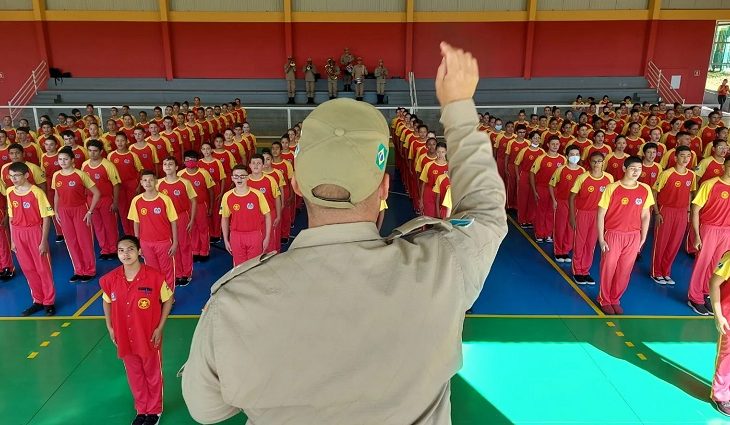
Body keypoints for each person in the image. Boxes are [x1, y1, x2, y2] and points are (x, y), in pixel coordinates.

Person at [182, 42, 507, 424]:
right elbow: (486, 210)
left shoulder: (234, 302)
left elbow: (206, 410)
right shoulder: (441, 266)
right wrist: (458, 109)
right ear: (385, 188)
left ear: (296, 184)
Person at [100, 235, 172, 425]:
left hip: (149, 335)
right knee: (134, 374)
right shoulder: (110, 279)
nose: (126, 254)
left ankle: (155, 411)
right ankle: (142, 409)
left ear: (139, 251)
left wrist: (160, 327)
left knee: (152, 373)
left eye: (130, 249)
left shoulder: (155, 277)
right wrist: (110, 327)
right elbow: (106, 301)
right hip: (124, 336)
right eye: (121, 250)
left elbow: (168, 299)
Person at [596, 156, 654, 314]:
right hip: (613, 234)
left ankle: (615, 298)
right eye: (633, 168)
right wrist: (601, 239)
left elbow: (645, 215)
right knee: (608, 268)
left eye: (639, 169)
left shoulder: (645, 189)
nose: (636, 171)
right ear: (624, 169)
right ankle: (604, 299)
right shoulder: (612, 188)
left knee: (625, 270)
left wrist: (642, 237)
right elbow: (601, 214)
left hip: (633, 236)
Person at [7, 162, 56, 316]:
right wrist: (13, 239)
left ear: (26, 175)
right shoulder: (9, 192)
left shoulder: (36, 192)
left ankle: (49, 301)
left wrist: (43, 241)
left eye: (17, 175)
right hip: (18, 233)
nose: (13, 179)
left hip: (35, 232)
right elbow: (11, 216)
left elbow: (46, 218)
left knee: (43, 268)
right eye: (11, 176)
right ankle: (38, 300)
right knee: (28, 269)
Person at [687, 160, 730, 315]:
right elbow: (695, 209)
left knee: (716, 265)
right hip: (709, 229)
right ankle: (694, 297)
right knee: (702, 263)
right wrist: (697, 235)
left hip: (727, 231)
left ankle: (706, 293)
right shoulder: (710, 184)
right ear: (724, 166)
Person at [53, 146, 100, 282]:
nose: (62, 161)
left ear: (72, 160)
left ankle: (90, 270)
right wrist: (56, 211)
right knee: (71, 242)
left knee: (84, 241)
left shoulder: (80, 174)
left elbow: (97, 193)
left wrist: (90, 211)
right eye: (60, 159)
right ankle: (79, 270)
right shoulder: (56, 176)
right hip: (64, 211)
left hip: (80, 210)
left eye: (65, 159)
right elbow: (57, 195)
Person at [650, 146, 696, 284]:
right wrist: (657, 213)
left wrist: (688, 211)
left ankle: (666, 271)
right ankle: (655, 271)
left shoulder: (691, 175)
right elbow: (654, 192)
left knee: (675, 243)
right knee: (661, 242)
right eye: (682, 155)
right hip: (666, 210)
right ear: (675, 157)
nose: (685, 159)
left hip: (681, 212)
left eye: (688, 156)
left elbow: (689, 193)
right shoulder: (667, 174)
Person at [128, 170, 178, 292]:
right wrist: (137, 243)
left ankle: (169, 297)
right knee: (152, 271)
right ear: (141, 182)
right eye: (145, 180)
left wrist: (175, 242)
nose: (148, 183)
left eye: (151, 180)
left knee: (167, 271)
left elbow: (173, 221)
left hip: (164, 242)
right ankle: (157, 295)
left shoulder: (165, 199)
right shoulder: (136, 200)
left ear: (156, 181)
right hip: (146, 243)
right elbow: (136, 222)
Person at [221, 165, 272, 266]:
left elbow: (268, 216)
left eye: (242, 176)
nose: (239, 179)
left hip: (255, 235)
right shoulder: (227, 196)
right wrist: (226, 239)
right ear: (232, 178)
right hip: (236, 236)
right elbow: (225, 218)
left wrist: (267, 237)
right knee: (239, 267)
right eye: (236, 176)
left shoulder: (257, 194)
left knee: (254, 266)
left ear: (248, 177)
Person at [158, 156, 196, 286]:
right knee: (172, 246)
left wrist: (191, 219)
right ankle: (178, 273)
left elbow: (193, 200)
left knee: (184, 245)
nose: (167, 166)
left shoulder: (185, 182)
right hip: (166, 220)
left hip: (182, 217)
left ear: (176, 167)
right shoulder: (158, 183)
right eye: (165, 164)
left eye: (170, 164)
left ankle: (187, 273)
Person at [549, 145, 585, 262]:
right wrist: (554, 200)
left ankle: (566, 250)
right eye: (572, 154)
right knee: (560, 226)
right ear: (567, 156)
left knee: (571, 227)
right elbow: (551, 184)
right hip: (562, 202)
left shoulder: (582, 171)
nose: (574, 157)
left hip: (575, 204)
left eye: (577, 154)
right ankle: (558, 251)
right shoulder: (561, 169)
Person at [180, 149, 216, 262]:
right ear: (184, 161)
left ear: (197, 161)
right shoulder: (180, 174)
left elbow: (211, 191)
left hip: (201, 205)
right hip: (188, 207)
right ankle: (195, 251)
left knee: (203, 228)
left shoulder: (204, 173)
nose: (190, 162)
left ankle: (204, 251)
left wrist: (210, 207)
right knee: (192, 229)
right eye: (187, 160)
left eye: (193, 160)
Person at [530, 136, 565, 242]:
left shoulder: (563, 159)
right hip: (542, 188)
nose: (555, 146)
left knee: (551, 211)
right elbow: (532, 173)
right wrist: (534, 190)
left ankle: (548, 233)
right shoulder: (541, 158)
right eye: (553, 144)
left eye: (557, 144)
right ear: (548, 145)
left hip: (555, 190)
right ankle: (539, 233)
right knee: (541, 211)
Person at [515, 130, 545, 227]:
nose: (537, 140)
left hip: (537, 177)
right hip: (525, 175)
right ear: (530, 139)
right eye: (535, 138)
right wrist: (518, 176)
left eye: (538, 138)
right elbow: (516, 164)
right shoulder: (524, 150)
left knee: (533, 198)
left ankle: (530, 219)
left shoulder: (542, 152)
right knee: (523, 198)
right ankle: (522, 219)